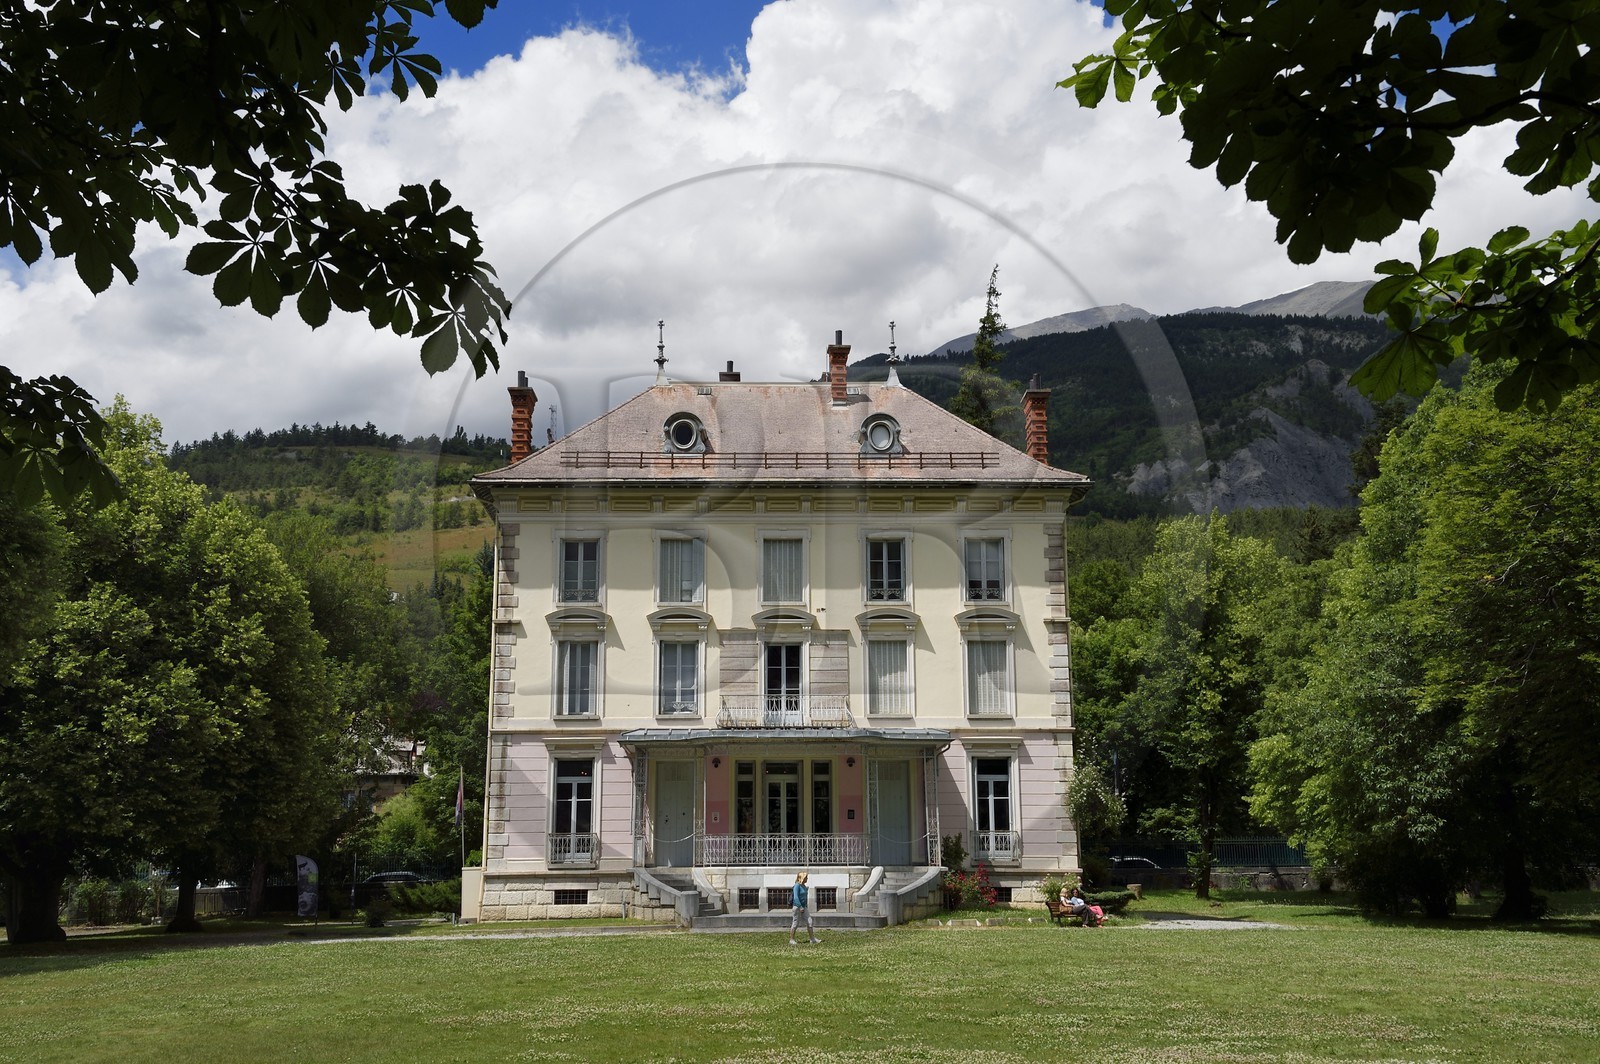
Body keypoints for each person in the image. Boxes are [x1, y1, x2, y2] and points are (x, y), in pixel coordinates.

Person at [789, 872, 819, 945]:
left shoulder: (804, 886)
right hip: (797, 907)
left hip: (804, 907)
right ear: (801, 878)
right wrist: (800, 906)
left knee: (810, 921)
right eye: (806, 878)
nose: (807, 879)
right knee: (795, 923)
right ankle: (791, 939)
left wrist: (804, 906)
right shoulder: (797, 886)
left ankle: (812, 939)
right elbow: (796, 897)